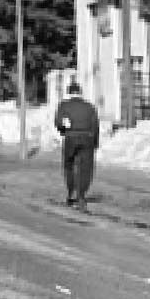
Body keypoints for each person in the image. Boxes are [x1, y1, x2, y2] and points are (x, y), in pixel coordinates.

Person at [54, 78, 100, 210]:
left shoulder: (64, 106)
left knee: (69, 164)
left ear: (69, 93)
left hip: (71, 138)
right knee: (86, 167)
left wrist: (63, 131)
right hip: (87, 138)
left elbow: (58, 122)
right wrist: (95, 142)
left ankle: (71, 190)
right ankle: (81, 194)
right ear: (80, 93)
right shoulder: (90, 107)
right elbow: (95, 125)